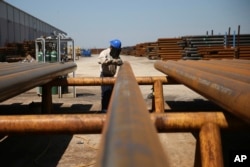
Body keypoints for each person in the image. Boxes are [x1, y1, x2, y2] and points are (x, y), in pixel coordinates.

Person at [97, 39, 123, 113]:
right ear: (112, 47)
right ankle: (104, 110)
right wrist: (109, 61)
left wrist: (118, 61)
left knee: (111, 93)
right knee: (105, 93)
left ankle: (110, 110)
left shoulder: (116, 54)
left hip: (111, 76)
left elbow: (120, 61)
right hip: (104, 75)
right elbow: (100, 60)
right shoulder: (105, 52)